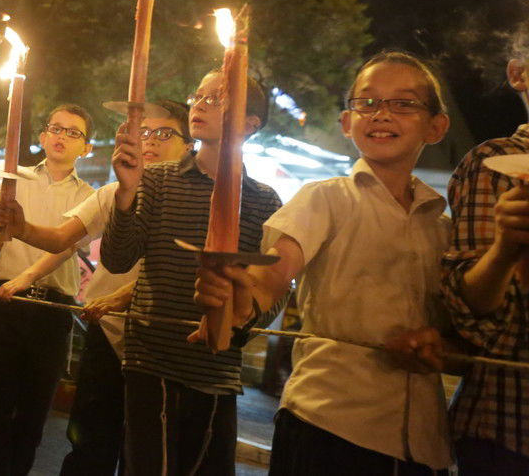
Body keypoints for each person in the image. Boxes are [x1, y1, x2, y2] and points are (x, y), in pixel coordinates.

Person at [194, 51, 455, 475]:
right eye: (367, 102)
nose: (381, 114)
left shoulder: (443, 230)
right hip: (329, 426)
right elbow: (275, 270)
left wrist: (439, 347)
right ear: (347, 122)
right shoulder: (324, 197)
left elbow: (461, 335)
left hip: (425, 446)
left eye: (403, 103)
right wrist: (241, 299)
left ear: (437, 125)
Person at [0, 99, 193, 476]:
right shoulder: (112, 193)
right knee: (88, 449)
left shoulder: (194, 200)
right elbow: (60, 239)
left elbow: (185, 274)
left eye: (164, 133)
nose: (149, 141)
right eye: (143, 132)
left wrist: (127, 296)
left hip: (161, 344)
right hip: (107, 335)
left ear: (189, 144)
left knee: (145, 455)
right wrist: (21, 228)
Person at [102, 72, 282, 475]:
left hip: (217, 370)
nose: (200, 104)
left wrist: (241, 317)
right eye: (198, 95)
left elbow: (271, 289)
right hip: (151, 358)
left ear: (251, 123)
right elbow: (117, 259)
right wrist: (127, 192)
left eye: (218, 98)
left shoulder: (264, 201)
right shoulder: (159, 180)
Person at [0, 104, 95, 475]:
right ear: (42, 137)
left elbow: (67, 245)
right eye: (55, 128)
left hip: (52, 312)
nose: (61, 136)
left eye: (73, 132)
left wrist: (26, 277)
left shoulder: (91, 195)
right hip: (3, 305)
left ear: (85, 147)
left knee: (31, 413)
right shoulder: (15, 179)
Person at [440, 34, 529, 475]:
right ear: (519, 74)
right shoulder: (497, 163)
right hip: (507, 429)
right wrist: (506, 250)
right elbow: (479, 326)